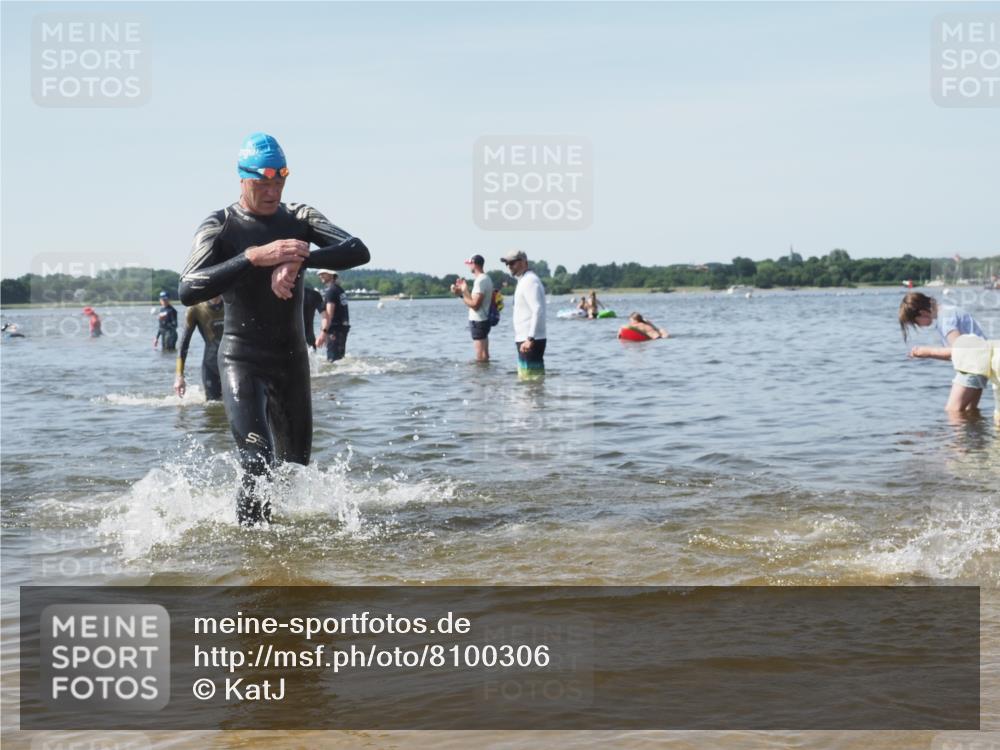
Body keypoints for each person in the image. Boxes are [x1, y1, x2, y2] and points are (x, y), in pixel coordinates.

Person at [178, 132, 370, 525]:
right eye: (262, 183)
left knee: (295, 470)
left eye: (279, 181)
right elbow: (188, 287)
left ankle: (286, 561)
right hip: (241, 361)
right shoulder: (221, 225)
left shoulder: (299, 217)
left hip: (291, 363)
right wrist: (254, 257)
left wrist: (300, 256)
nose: (272, 191)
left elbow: (357, 249)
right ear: (243, 180)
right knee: (256, 461)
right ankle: (253, 548)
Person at [899, 291, 987, 413]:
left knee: (953, 412)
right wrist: (926, 354)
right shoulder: (949, 311)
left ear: (922, 313)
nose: (919, 326)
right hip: (980, 365)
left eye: (915, 322)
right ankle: (978, 432)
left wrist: (927, 352)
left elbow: (960, 351)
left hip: (971, 368)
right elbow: (956, 354)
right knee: (969, 412)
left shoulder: (945, 320)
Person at [501, 250, 546, 380]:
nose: (509, 266)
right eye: (507, 263)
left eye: (512, 262)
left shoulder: (529, 281)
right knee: (527, 381)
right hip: (525, 339)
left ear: (524, 262)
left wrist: (530, 338)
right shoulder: (524, 280)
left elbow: (537, 309)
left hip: (530, 340)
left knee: (531, 382)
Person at [174, 296, 225, 401]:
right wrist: (179, 376)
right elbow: (184, 343)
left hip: (233, 366)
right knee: (213, 406)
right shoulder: (196, 309)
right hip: (211, 365)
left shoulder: (232, 304)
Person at [451, 253, 493, 362]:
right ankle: (485, 375)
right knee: (485, 354)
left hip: (478, 321)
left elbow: (475, 305)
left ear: (474, 264)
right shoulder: (485, 278)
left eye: (470, 264)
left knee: (480, 357)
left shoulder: (480, 280)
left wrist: (464, 291)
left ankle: (479, 377)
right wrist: (462, 292)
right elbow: (474, 301)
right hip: (483, 320)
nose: (469, 266)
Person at [316, 270, 350, 361]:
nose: (320, 275)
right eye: (319, 274)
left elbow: (329, 315)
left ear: (331, 275)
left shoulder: (331, 291)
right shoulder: (339, 289)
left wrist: (323, 333)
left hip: (334, 331)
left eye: (323, 273)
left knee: (333, 360)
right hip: (342, 329)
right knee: (339, 359)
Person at [303, 285, 324, 350]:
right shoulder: (314, 294)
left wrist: (323, 333)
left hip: (286, 342)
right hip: (309, 341)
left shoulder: (280, 292)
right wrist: (323, 333)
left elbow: (325, 316)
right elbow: (325, 316)